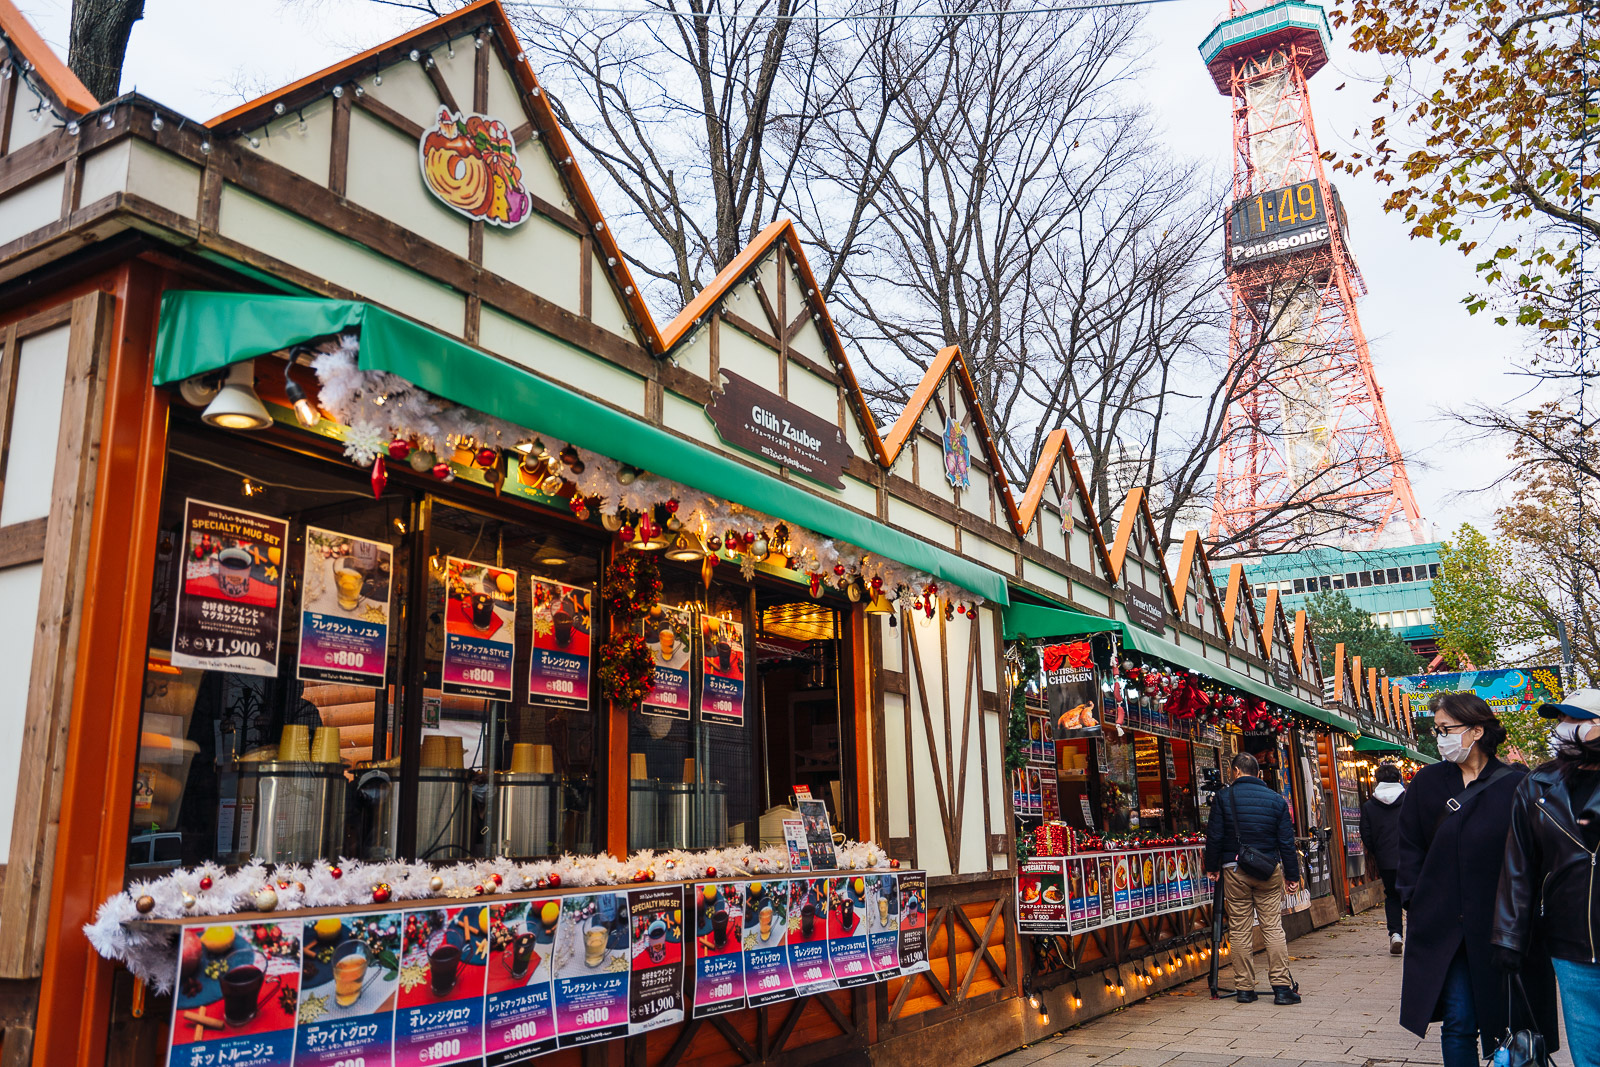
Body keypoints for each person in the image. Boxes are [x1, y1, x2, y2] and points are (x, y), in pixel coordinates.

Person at [1398, 693, 1558, 1067]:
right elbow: (1409, 847)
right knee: (1458, 1020)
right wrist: (1414, 898)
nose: (1440, 738)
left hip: (1504, 928)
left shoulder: (1518, 784)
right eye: (1436, 730)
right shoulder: (1427, 782)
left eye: (1446, 729)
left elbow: (1536, 855)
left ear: (1477, 730)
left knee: (1511, 1023)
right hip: (1445, 927)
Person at [1494, 687, 1600, 1067]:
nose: (1562, 727)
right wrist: (1508, 937)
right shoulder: (1537, 785)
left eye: (1574, 719)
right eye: (1561, 720)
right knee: (1589, 1054)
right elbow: (1518, 867)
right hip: (1571, 945)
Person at [1204, 751, 1301, 1005]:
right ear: (1258, 774)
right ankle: (1281, 988)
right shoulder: (1277, 800)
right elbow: (1286, 842)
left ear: (1236, 771)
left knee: (1239, 929)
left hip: (1235, 870)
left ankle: (1245, 989)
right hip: (1268, 870)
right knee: (1273, 927)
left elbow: (1214, 836)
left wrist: (1211, 867)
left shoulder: (1223, 798)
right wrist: (1292, 875)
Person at [1360, 762, 1407, 954]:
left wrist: (1378, 851)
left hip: (1385, 859)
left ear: (1377, 781)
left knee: (1392, 896)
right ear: (1398, 779)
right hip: (1410, 857)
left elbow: (1366, 834)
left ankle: (1395, 934)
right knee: (1414, 895)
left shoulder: (1369, 806)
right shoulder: (1409, 800)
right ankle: (1418, 933)